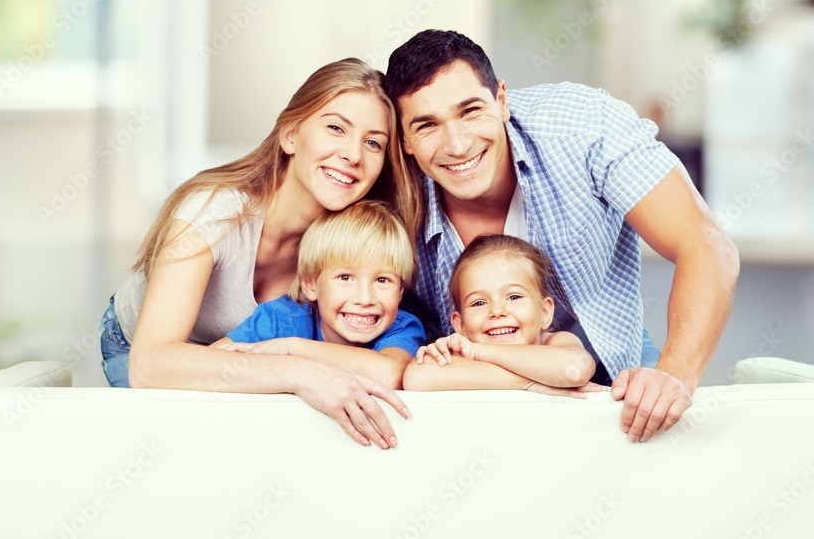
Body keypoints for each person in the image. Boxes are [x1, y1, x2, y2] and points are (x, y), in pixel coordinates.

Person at [385, 29, 739, 443]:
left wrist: (675, 374)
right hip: (473, 393)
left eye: (470, 111)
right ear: (405, 139)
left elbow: (704, 244)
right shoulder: (390, 190)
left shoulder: (581, 126)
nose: (458, 144)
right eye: (427, 125)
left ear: (501, 100)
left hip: (614, 370)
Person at [99, 57, 421, 449]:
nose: (354, 154)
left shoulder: (352, 239)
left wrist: (293, 365)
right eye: (336, 128)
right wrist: (299, 371)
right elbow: (150, 366)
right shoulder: (215, 211)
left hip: (252, 354)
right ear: (289, 135)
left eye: (373, 142)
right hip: (142, 348)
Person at [210, 200, 427, 389]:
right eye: (345, 278)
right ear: (310, 284)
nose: (365, 299)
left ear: (400, 291)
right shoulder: (280, 318)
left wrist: (288, 348)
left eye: (382, 280)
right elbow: (209, 363)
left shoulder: (401, 327)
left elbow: (389, 374)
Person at [403, 234, 596, 393]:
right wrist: (530, 383)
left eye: (513, 297)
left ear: (544, 312)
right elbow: (417, 378)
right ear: (460, 325)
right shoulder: (460, 352)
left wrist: (477, 352)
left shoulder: (555, 342)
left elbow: (574, 370)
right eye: (479, 302)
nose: (497, 311)